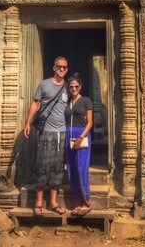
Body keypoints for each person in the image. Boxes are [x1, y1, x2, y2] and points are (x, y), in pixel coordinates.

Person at [24, 56, 69, 216]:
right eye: (59, 67)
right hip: (46, 131)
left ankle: (54, 202)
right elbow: (35, 104)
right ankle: (38, 202)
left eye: (64, 67)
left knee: (58, 168)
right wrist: (28, 123)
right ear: (54, 68)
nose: (62, 69)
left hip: (62, 132)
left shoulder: (68, 87)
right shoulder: (45, 84)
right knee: (42, 165)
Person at [65, 73, 93, 216]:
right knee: (72, 169)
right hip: (69, 135)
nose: (74, 89)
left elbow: (90, 123)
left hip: (82, 135)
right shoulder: (68, 101)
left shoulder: (86, 101)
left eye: (76, 86)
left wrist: (80, 138)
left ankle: (86, 202)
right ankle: (77, 202)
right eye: (71, 87)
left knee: (82, 169)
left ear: (80, 86)